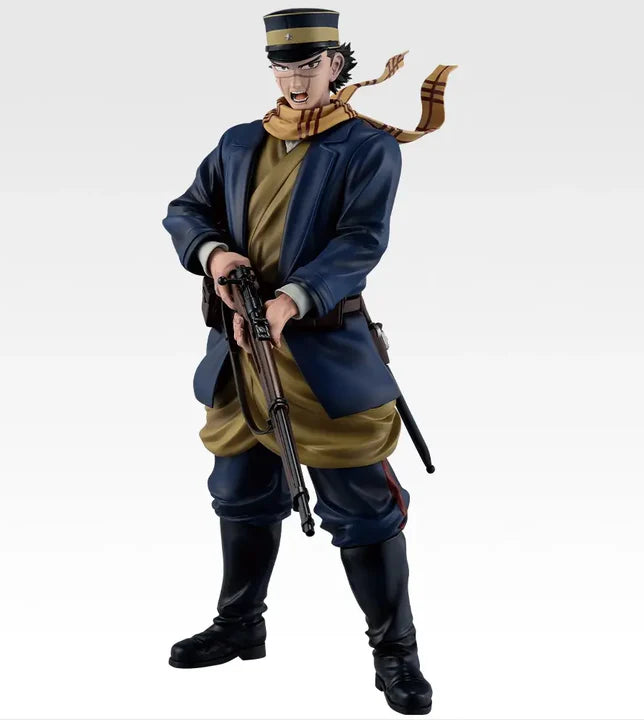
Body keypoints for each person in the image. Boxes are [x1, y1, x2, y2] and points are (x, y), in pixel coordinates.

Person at [161, 7, 455, 715]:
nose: (294, 80)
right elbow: (187, 209)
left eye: (308, 66)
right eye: (282, 67)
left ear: (335, 65)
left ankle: (396, 652)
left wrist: (292, 298)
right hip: (240, 352)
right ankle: (240, 623)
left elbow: (360, 241)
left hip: (321, 354)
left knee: (363, 507)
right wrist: (215, 255)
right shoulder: (240, 142)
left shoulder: (367, 147)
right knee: (239, 490)